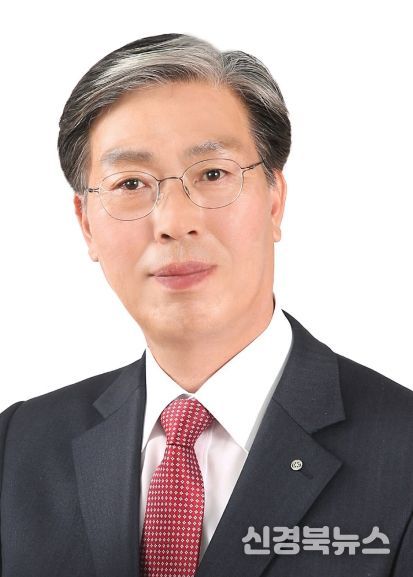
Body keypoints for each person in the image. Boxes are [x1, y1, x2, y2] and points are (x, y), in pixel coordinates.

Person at [0, 32, 412, 577]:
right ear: (86, 225)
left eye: (213, 174)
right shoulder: (17, 446)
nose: (174, 222)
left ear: (274, 200)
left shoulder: (403, 450)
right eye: (130, 183)